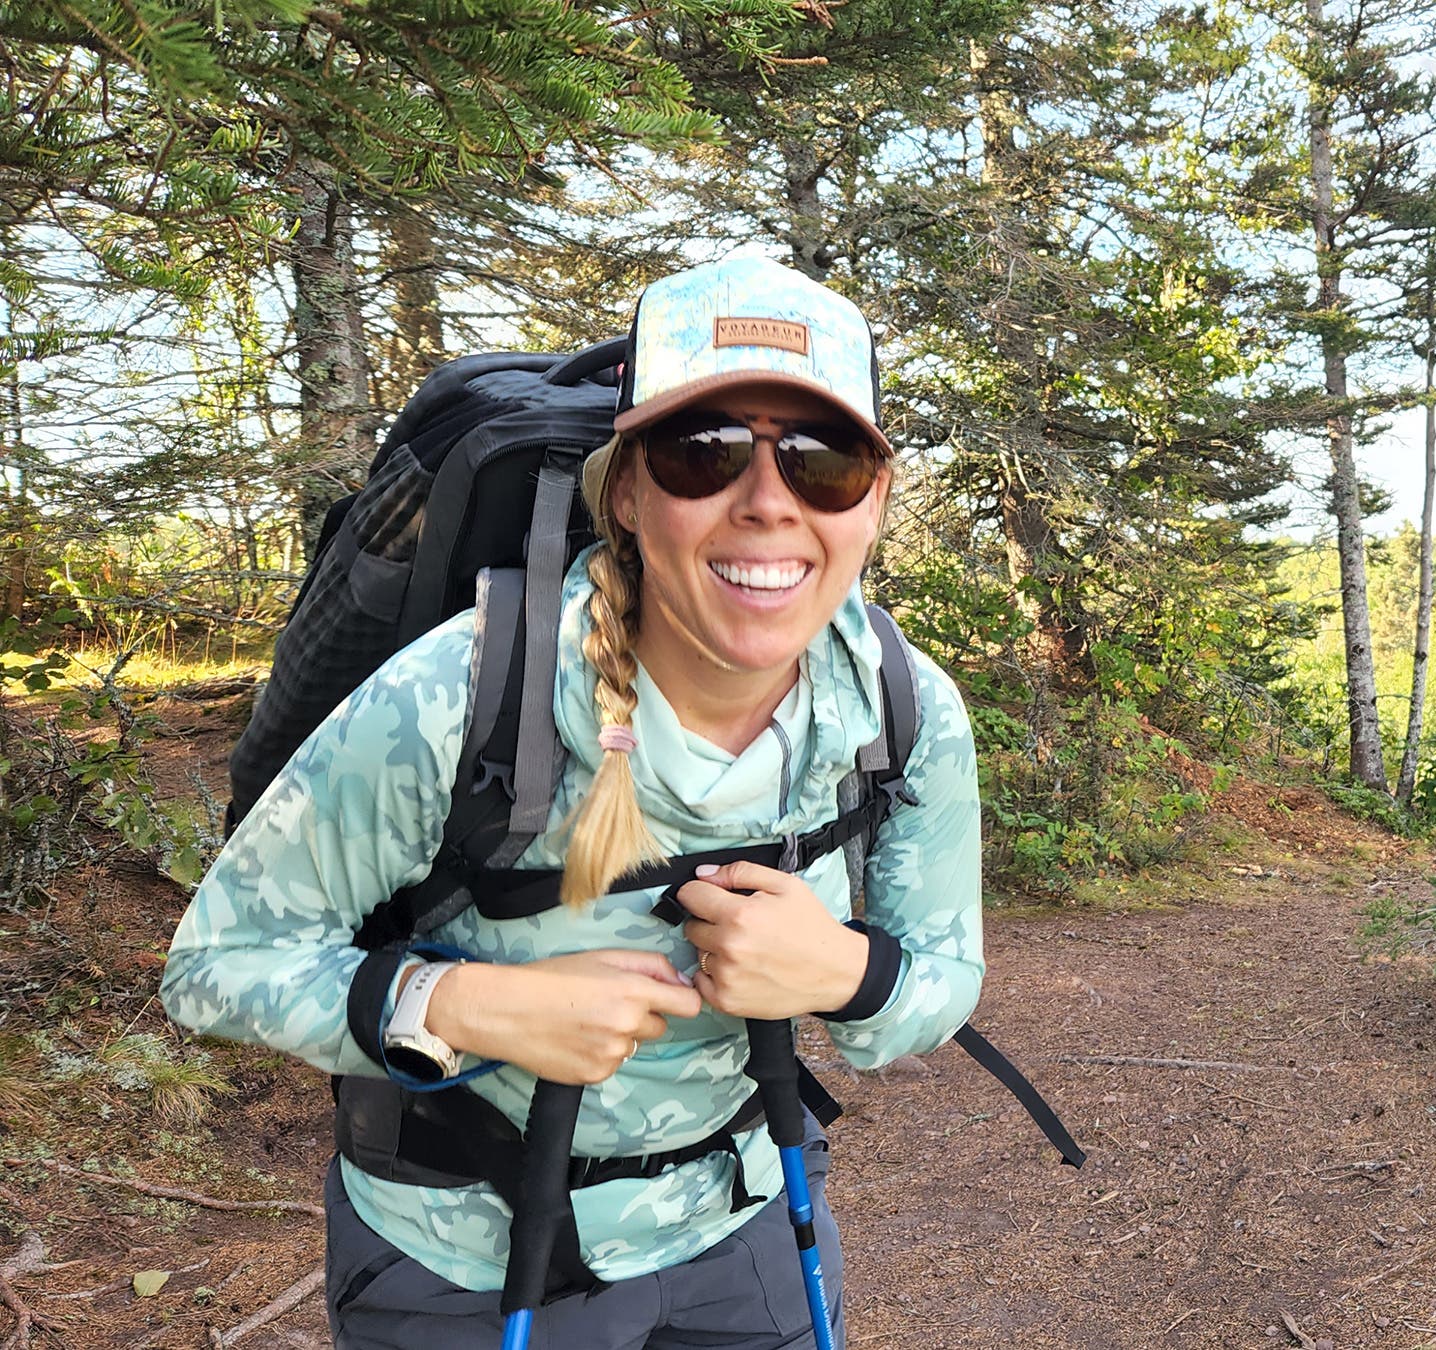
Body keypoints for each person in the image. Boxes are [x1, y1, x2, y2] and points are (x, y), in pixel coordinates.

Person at [161, 255, 983, 1349]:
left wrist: (844, 971)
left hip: (747, 1232)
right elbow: (215, 967)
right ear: (630, 491)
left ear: (873, 501)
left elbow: (944, 973)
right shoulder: (457, 695)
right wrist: (463, 1011)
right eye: (707, 453)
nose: (767, 503)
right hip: (464, 1256)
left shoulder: (898, 703)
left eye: (824, 462)